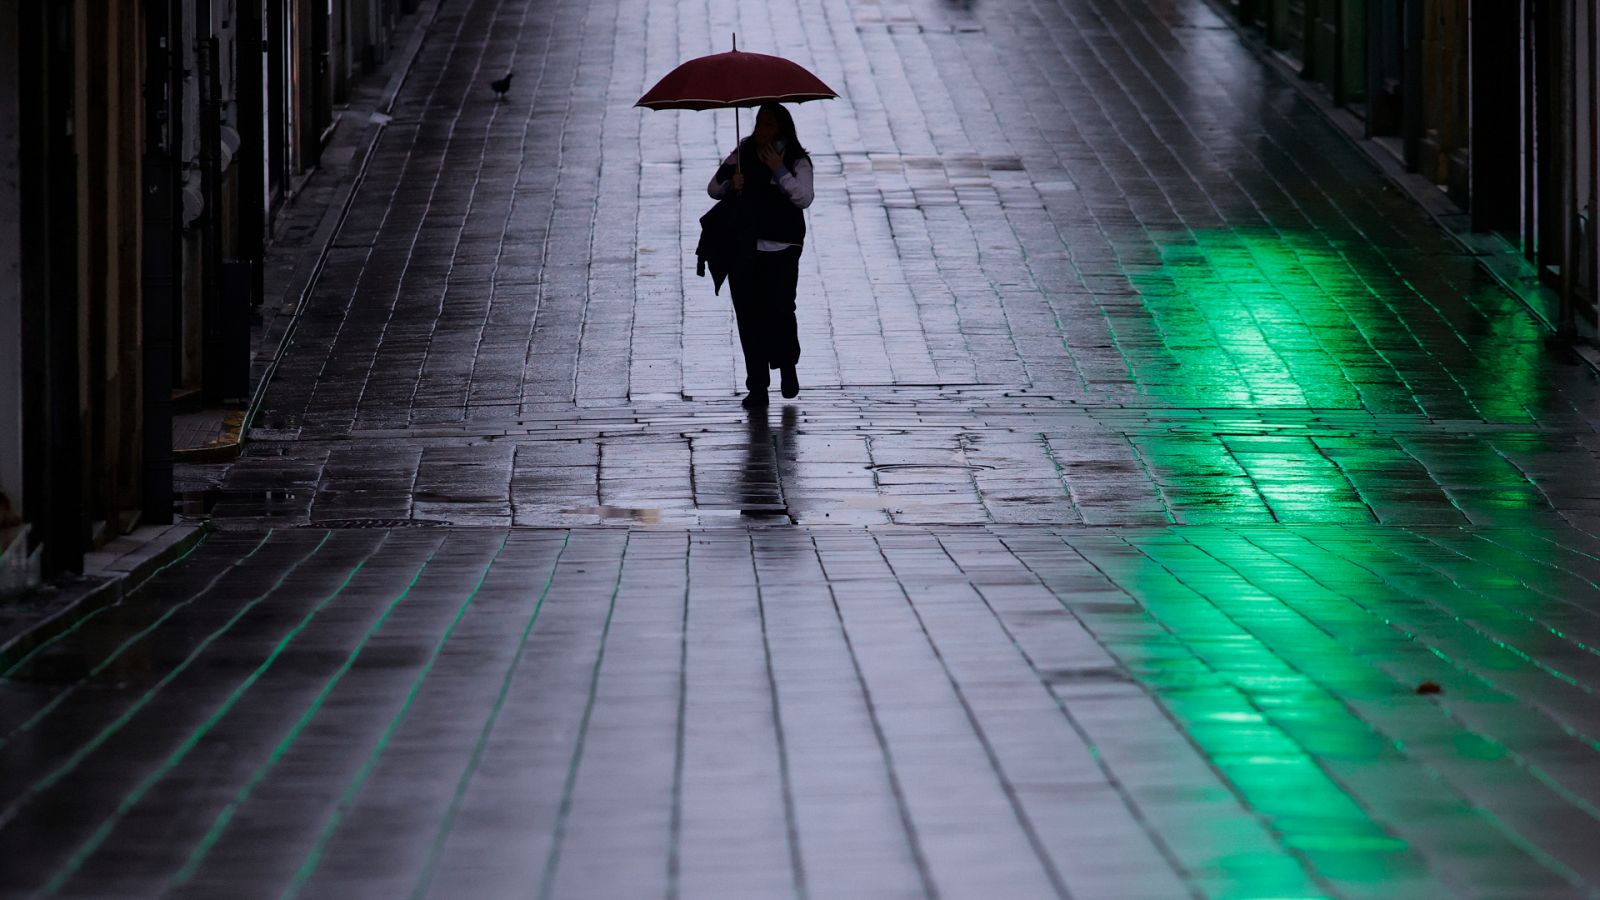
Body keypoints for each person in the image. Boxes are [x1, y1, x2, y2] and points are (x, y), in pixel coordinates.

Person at [707, 103, 814, 410]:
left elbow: (803, 197)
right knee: (748, 317)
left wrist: (778, 170)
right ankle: (757, 387)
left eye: (768, 125)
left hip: (783, 248)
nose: (760, 130)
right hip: (744, 246)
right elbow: (714, 187)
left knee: (780, 309)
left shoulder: (797, 160)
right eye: (758, 123)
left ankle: (787, 365)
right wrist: (731, 185)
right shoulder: (742, 153)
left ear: (781, 130)